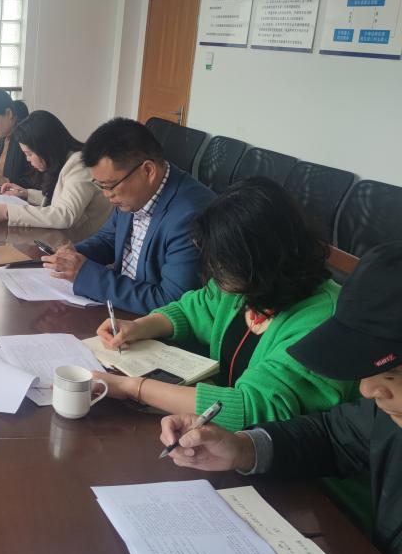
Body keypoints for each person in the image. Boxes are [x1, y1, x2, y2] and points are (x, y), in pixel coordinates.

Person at [159, 241, 402, 554]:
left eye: (392, 373)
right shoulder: (389, 414)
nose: (367, 390)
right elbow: (334, 435)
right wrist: (243, 448)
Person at [91, 177, 355, 430]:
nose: (215, 274)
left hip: (286, 454)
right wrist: (139, 327)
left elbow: (252, 407)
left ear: (262, 259)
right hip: (221, 434)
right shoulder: (248, 284)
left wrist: (133, 388)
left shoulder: (324, 321)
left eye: (222, 264)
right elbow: (192, 309)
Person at [42, 117, 214, 314]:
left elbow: (171, 303)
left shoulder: (190, 217)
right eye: (100, 186)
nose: (106, 194)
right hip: (120, 307)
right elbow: (109, 238)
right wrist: (73, 255)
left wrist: (85, 274)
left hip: (148, 322)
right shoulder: (133, 191)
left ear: (148, 171)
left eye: (109, 186)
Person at [0, 110, 112, 243]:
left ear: (45, 147)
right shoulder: (67, 160)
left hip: (88, 246)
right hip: (70, 241)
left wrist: (7, 212)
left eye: (29, 154)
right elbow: (61, 199)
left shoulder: (79, 165)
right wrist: (27, 194)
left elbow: (64, 214)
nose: (28, 159)